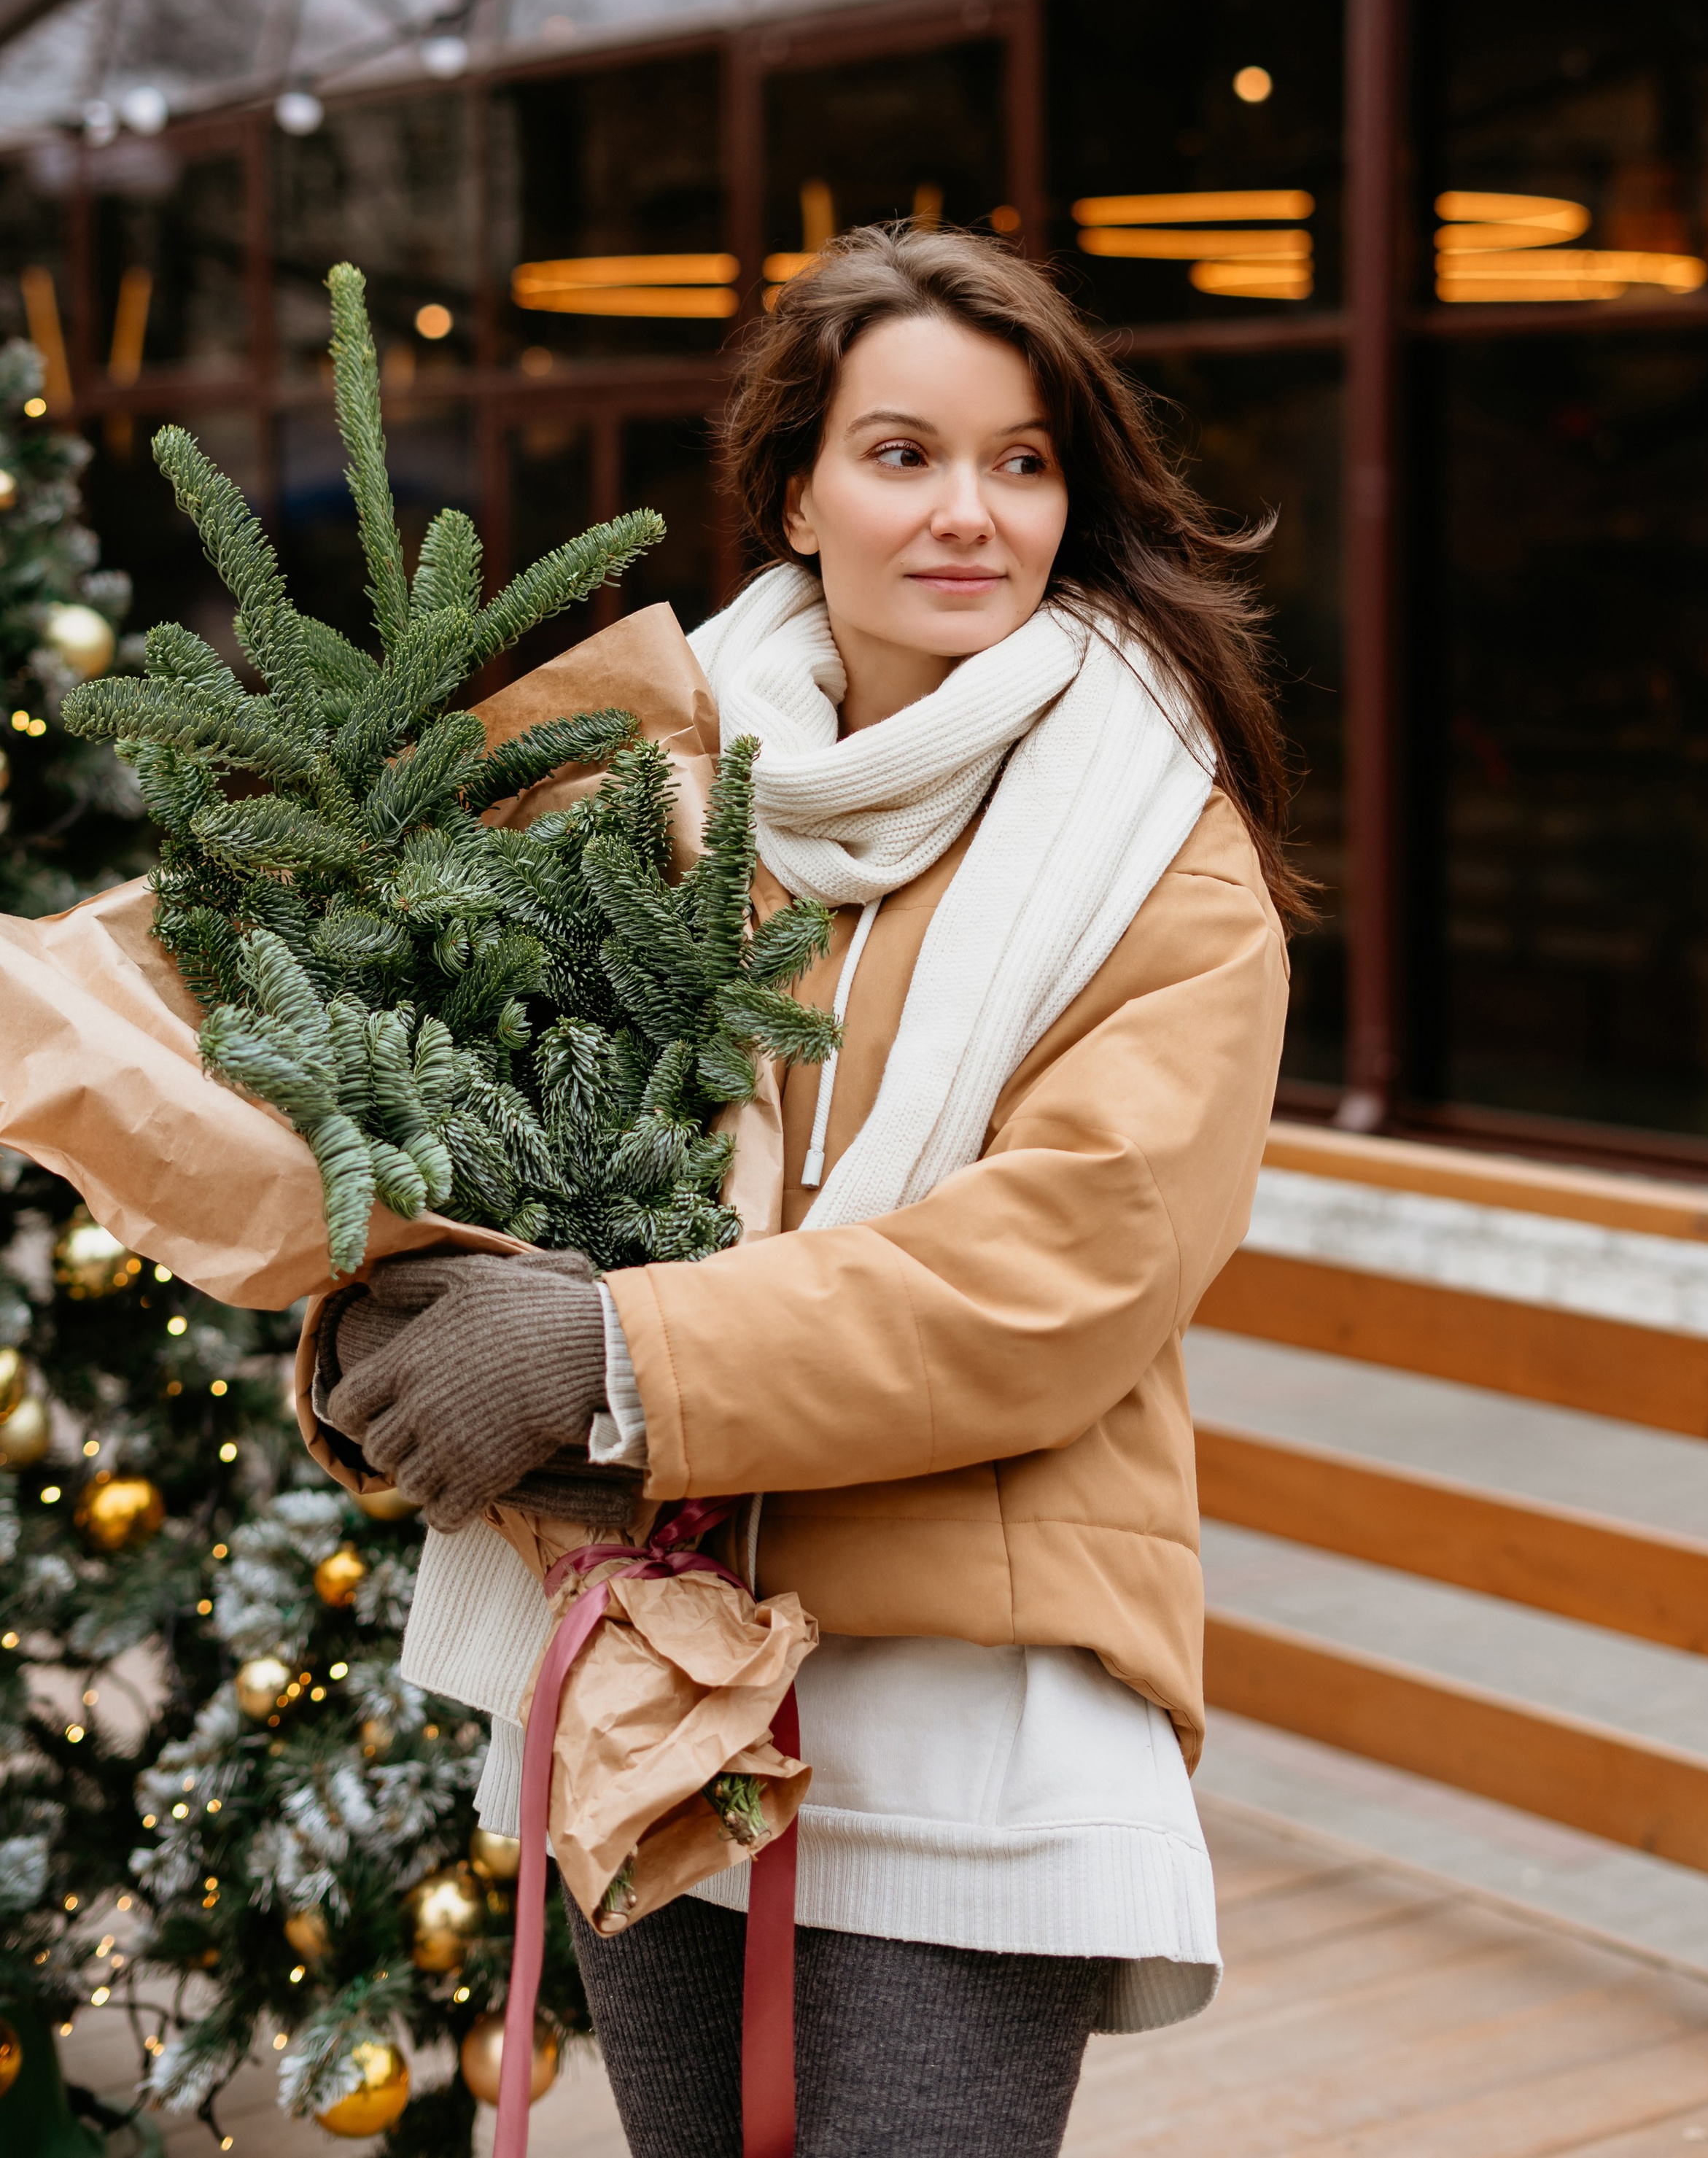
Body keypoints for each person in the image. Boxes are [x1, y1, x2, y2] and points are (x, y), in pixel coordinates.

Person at [327, 223, 1299, 2157]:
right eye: (906, 451)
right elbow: (489, 1120)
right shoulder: (653, 778)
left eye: (1025, 461)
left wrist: (608, 1353)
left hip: (972, 1700)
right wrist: (383, 1316)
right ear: (794, 485)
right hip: (657, 1657)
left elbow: (1063, 1268)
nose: (972, 512)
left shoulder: (1154, 842)